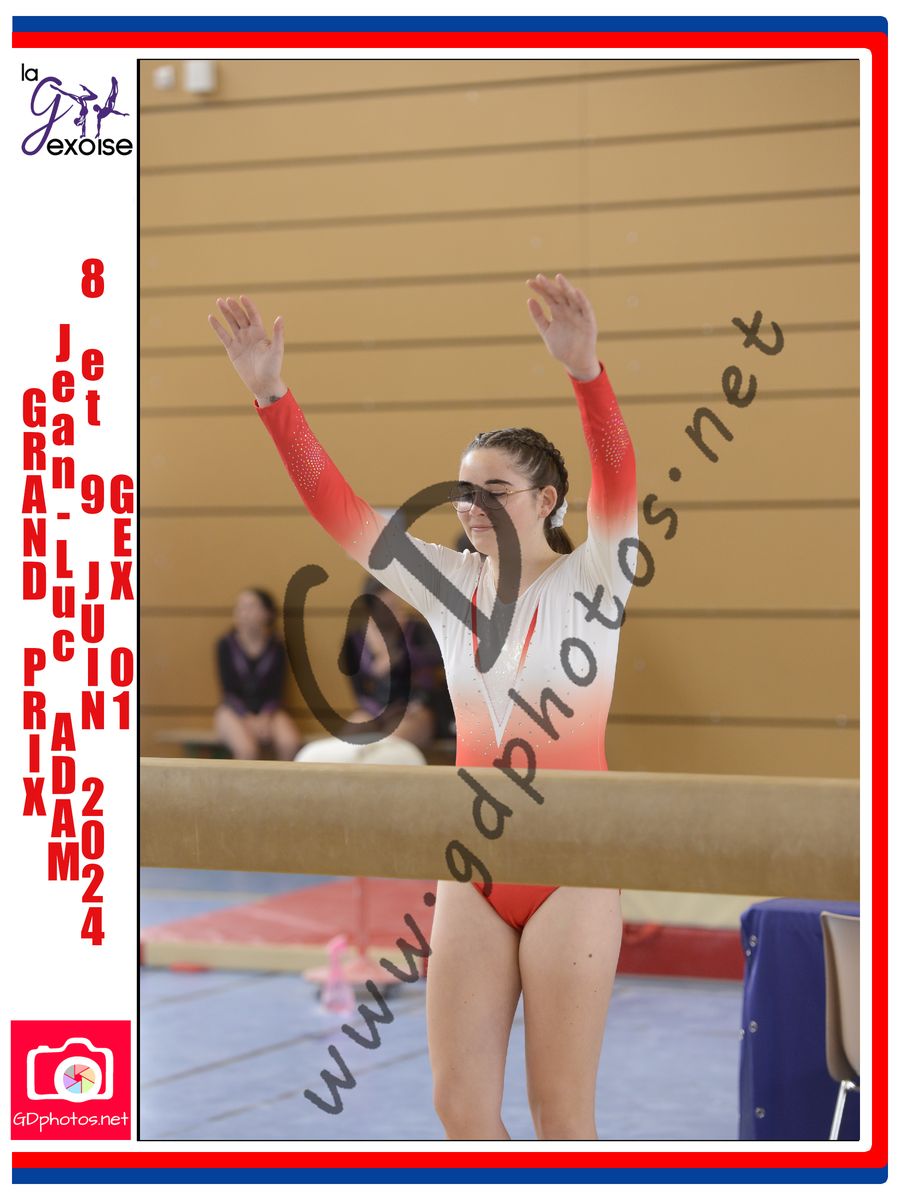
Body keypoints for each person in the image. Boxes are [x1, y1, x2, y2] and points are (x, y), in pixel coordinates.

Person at [208, 272, 637, 1140]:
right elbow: (340, 511)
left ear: (547, 501)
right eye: (464, 491)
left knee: (561, 1117)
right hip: (474, 865)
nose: (472, 507)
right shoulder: (448, 585)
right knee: (460, 1110)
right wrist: (272, 397)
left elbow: (618, 476)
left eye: (494, 491)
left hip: (572, 864)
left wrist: (587, 373)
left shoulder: (599, 575)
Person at [338, 575, 455, 752]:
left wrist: (396, 651)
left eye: (395, 606)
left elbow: (440, 659)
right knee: (348, 743)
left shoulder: (416, 629)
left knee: (389, 747)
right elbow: (359, 691)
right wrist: (376, 710)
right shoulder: (355, 640)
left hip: (417, 707)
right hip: (377, 707)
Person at [214, 587, 304, 761]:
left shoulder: (277, 647)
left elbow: (277, 690)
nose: (244, 613)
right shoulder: (225, 645)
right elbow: (228, 690)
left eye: (251, 607)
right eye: (240, 608)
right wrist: (247, 718)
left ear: (267, 613)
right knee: (247, 750)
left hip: (269, 710)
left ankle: (282, 779)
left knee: (289, 743)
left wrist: (265, 716)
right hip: (233, 710)